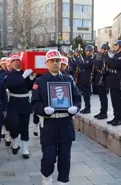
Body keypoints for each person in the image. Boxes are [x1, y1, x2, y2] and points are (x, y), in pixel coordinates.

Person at [31, 50, 81, 185]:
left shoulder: (68, 79)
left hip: (65, 123)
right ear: (46, 63)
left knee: (65, 157)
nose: (55, 63)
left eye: (58, 60)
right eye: (52, 60)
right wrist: (43, 109)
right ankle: (46, 178)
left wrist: (75, 108)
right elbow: (34, 104)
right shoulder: (40, 81)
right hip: (49, 124)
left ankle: (63, 181)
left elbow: (77, 98)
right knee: (49, 157)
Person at [5, 55, 35, 158]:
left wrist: (31, 79)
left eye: (18, 60)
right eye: (14, 61)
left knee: (24, 126)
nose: (16, 62)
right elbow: (11, 85)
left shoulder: (25, 72)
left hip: (25, 102)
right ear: (11, 63)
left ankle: (25, 149)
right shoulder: (9, 74)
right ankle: (15, 143)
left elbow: (30, 87)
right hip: (14, 102)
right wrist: (23, 77)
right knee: (14, 125)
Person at [106, 40, 121, 126]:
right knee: (114, 100)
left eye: (116, 45)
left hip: (117, 80)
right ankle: (115, 117)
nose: (115, 46)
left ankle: (119, 118)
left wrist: (107, 56)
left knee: (117, 100)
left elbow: (113, 64)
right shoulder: (115, 55)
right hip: (112, 79)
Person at [93, 44, 109, 120]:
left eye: (103, 49)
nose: (101, 50)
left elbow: (105, 69)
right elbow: (96, 65)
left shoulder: (107, 57)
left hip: (104, 78)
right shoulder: (101, 56)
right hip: (99, 76)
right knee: (101, 97)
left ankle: (104, 113)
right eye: (101, 49)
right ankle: (102, 111)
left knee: (103, 97)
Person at [77, 45, 94, 114]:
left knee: (87, 95)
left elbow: (83, 65)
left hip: (87, 79)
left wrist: (79, 57)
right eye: (86, 51)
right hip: (84, 79)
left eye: (87, 51)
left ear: (90, 51)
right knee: (84, 95)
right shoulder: (87, 58)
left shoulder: (91, 59)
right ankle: (86, 107)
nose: (86, 52)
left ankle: (88, 108)